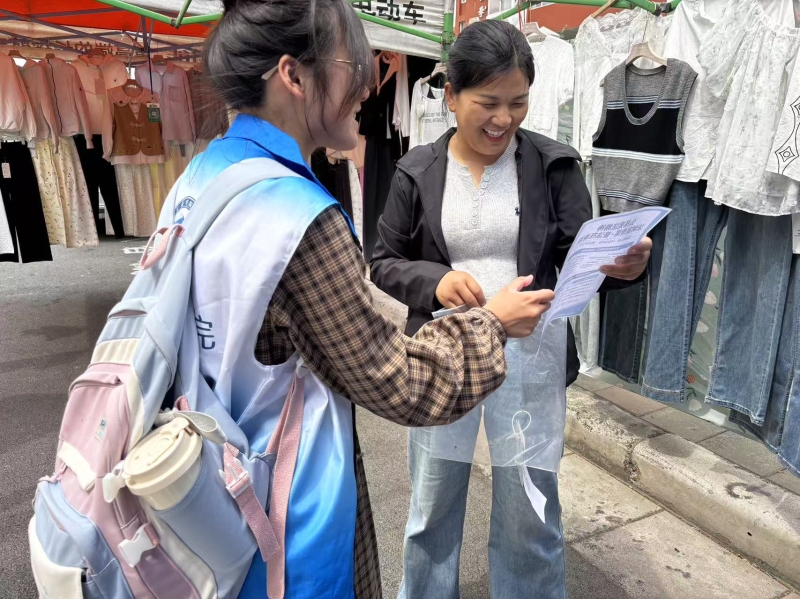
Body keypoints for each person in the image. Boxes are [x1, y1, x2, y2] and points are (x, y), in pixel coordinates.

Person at [185, 1, 553, 597]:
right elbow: (398, 381)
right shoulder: (298, 218)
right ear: (293, 76)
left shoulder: (206, 176)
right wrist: (489, 323)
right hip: (283, 499)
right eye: (352, 64)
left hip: (209, 480)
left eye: (517, 103)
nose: (368, 82)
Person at [370, 20, 652, 599]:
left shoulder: (553, 165)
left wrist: (626, 264)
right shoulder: (417, 170)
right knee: (432, 501)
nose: (504, 119)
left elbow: (583, 254)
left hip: (531, 353)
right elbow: (383, 260)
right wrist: (437, 279)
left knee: (530, 505)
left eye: (518, 102)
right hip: (443, 355)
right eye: (488, 103)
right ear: (449, 95)